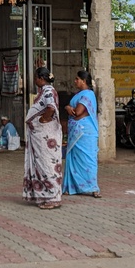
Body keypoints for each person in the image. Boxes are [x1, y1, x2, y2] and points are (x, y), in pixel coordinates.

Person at [23, 66, 63, 210]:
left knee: (48, 165)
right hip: (42, 137)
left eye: (36, 77)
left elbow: (50, 108)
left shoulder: (48, 91)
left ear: (41, 78)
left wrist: (42, 120)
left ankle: (53, 197)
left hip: (46, 136)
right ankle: (46, 195)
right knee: (43, 164)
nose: (35, 80)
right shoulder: (45, 91)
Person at [62, 70, 101, 198]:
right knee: (75, 159)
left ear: (83, 81)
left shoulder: (88, 95)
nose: (75, 81)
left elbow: (77, 112)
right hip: (77, 131)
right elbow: (74, 110)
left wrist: (69, 108)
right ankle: (73, 186)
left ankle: (93, 187)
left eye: (77, 79)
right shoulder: (79, 94)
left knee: (88, 160)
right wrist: (68, 108)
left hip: (85, 133)